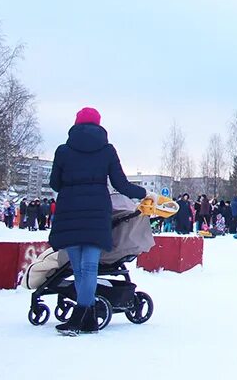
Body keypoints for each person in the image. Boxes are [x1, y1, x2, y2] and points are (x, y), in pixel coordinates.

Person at [48, 107, 148, 335]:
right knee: (90, 267)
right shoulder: (107, 150)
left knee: (78, 268)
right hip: (96, 212)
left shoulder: (63, 151)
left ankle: (80, 316)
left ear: (76, 123)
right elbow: (121, 184)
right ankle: (88, 317)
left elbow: (55, 184)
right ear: (99, 125)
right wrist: (144, 194)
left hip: (70, 210)